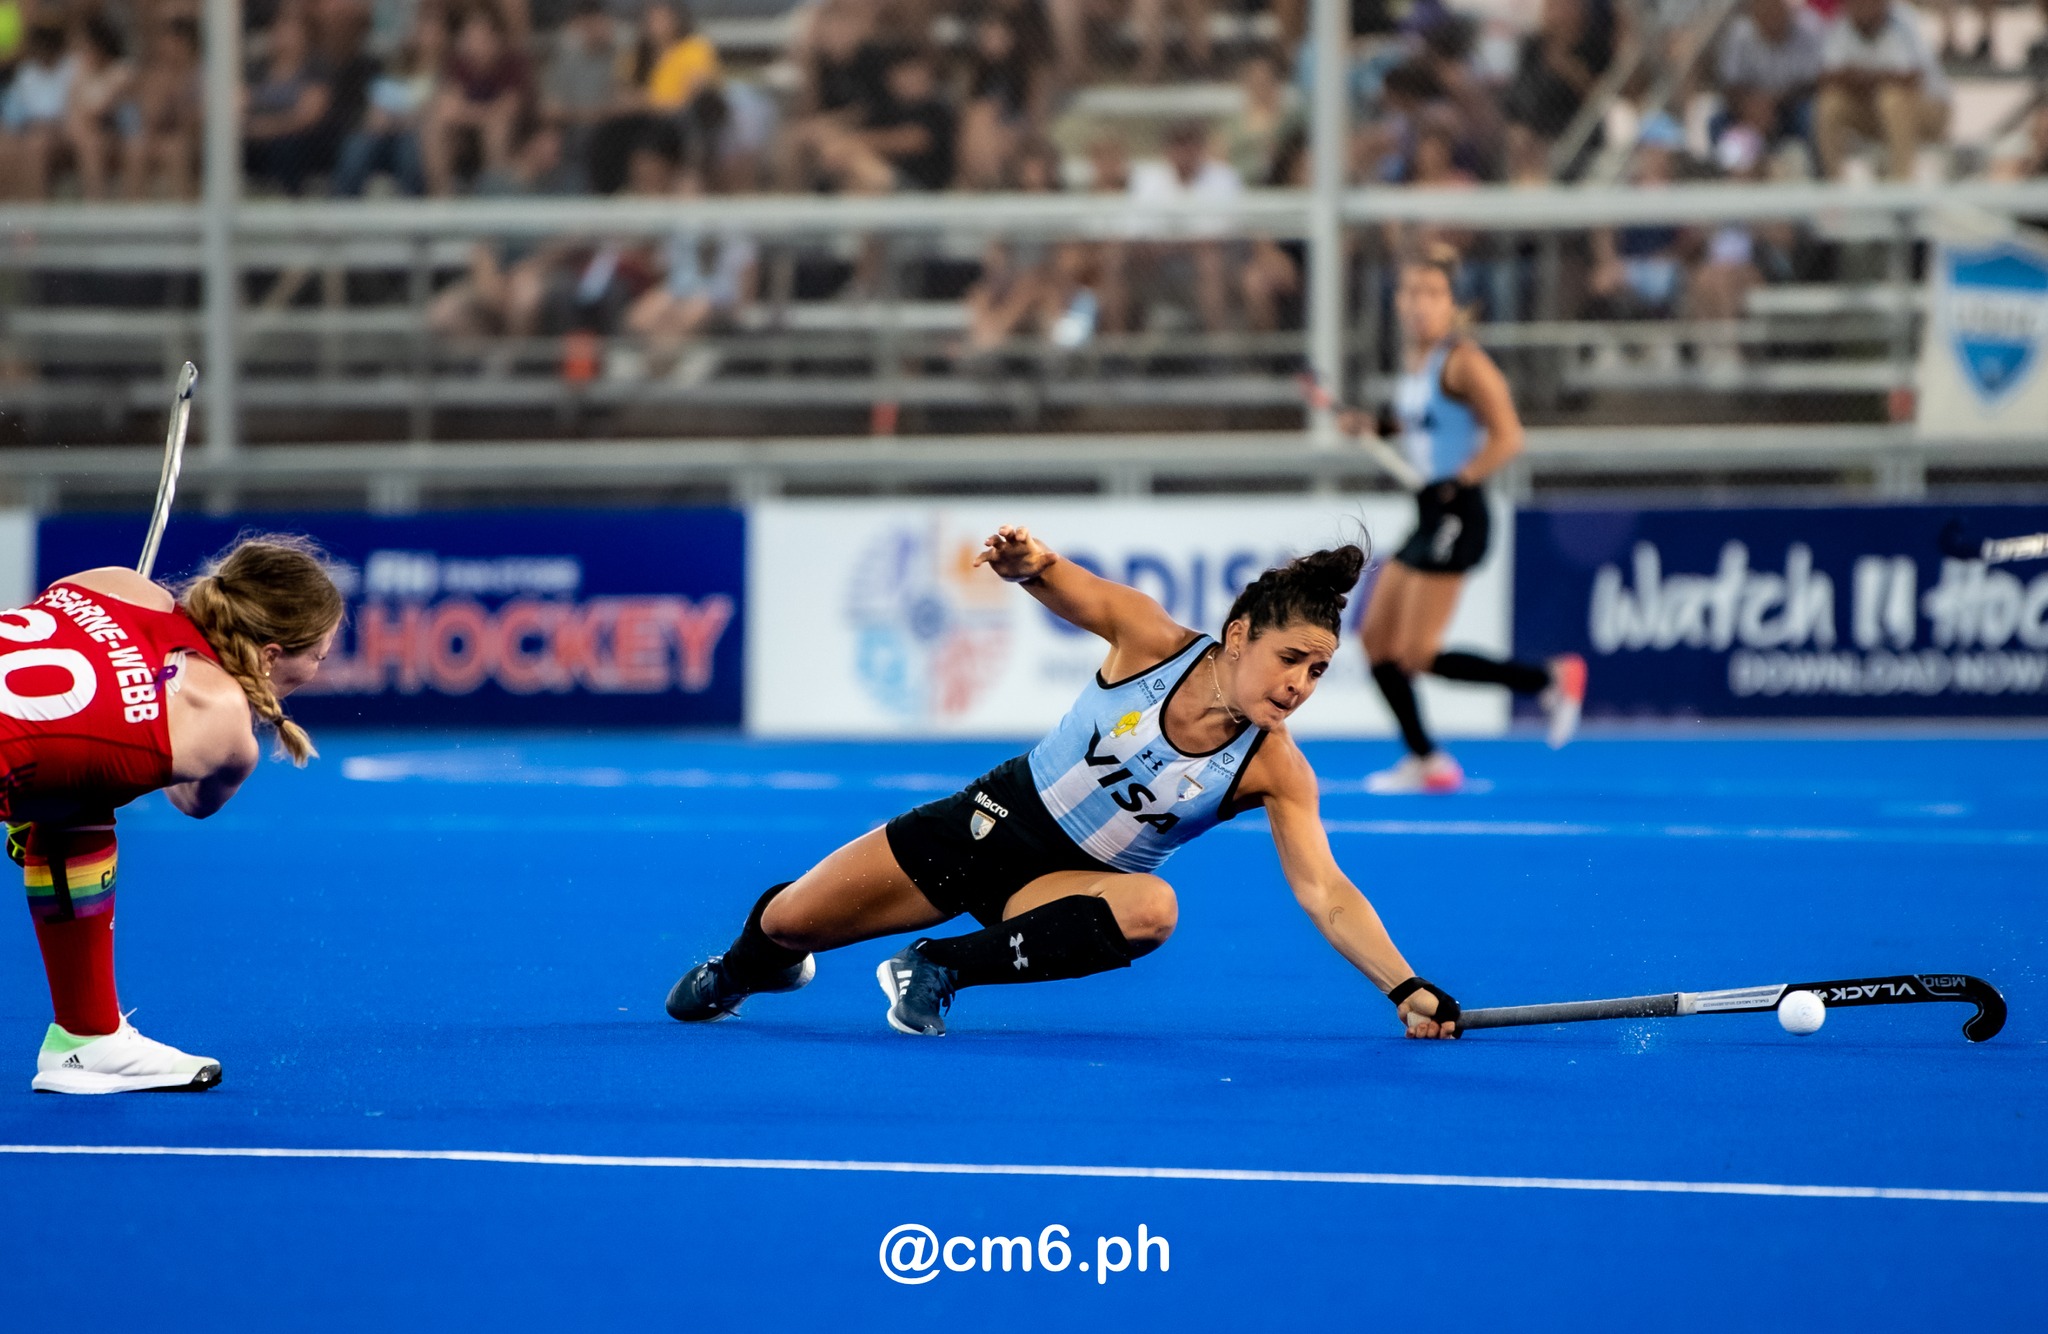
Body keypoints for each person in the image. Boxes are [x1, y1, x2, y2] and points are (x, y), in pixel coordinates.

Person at [667, 533, 1462, 1039]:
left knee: (1155, 907)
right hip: (988, 821)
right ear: (1238, 635)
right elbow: (1064, 581)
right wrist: (1030, 566)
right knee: (790, 921)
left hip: (1063, 888)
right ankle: (747, 969)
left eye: (1319, 671)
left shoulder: (1275, 768)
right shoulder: (1154, 642)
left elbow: (1325, 892)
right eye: (1290, 660)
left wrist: (1405, 986)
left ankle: (940, 966)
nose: (1300, 686)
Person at [3, 536, 344, 1093]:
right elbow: (191, 801)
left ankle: (88, 1039)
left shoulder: (114, 580)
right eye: (318, 658)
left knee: (80, 805)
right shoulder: (224, 722)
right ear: (273, 655)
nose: (316, 673)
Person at [1350, 244, 1585, 795]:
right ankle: (1426, 760)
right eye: (1410, 293)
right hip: (1428, 510)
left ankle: (1551, 677)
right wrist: (1377, 427)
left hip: (1459, 512)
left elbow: (1508, 436)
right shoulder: (1417, 363)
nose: (1418, 305)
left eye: (1432, 294)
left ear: (1452, 303)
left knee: (1417, 654)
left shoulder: (1464, 360)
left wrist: (1461, 481)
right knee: (1376, 641)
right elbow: (1424, 427)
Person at [1813, 0, 1949, 182]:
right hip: (1875, 111)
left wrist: (1863, 78)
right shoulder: (1843, 23)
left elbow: (1913, 78)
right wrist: (1875, 78)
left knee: (1892, 98)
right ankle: (1834, 184)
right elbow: (1828, 76)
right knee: (1830, 103)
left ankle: (1901, 183)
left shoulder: (1902, 19)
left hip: (1928, 109)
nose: (1862, 10)